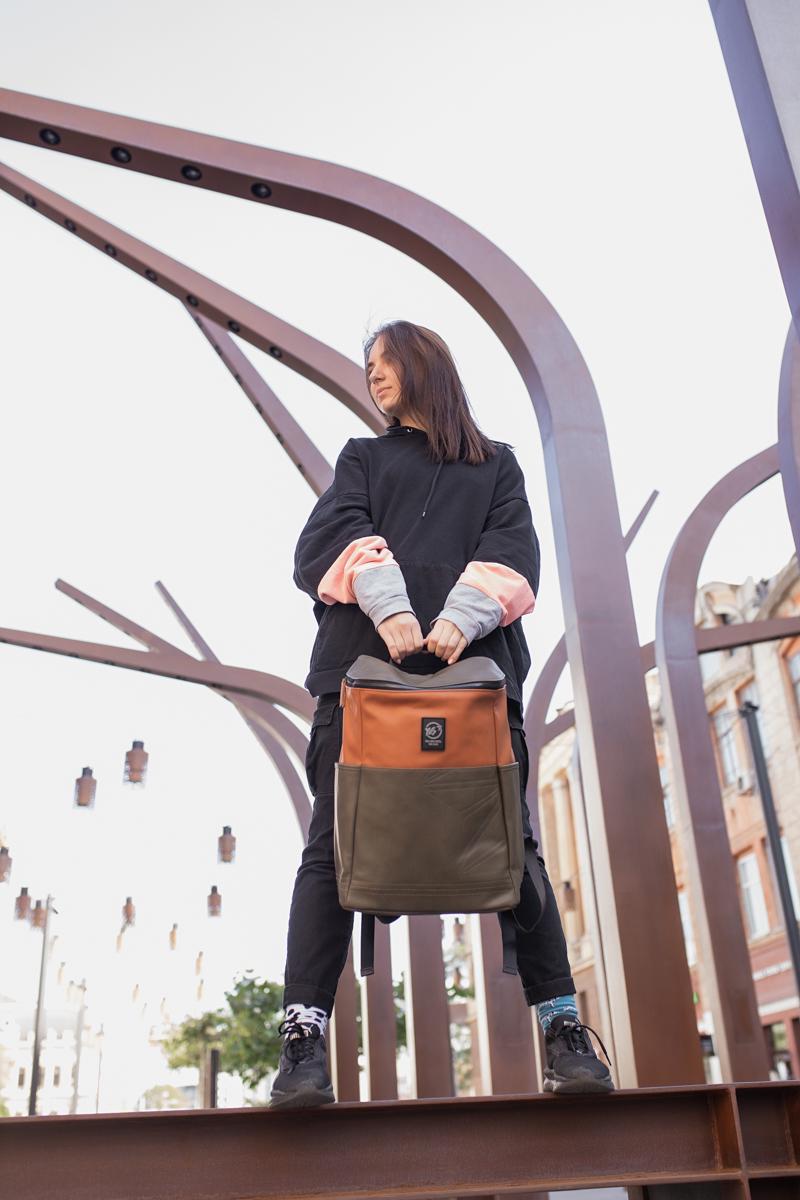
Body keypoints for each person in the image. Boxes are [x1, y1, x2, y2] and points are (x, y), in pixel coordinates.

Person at [269, 320, 613, 1108]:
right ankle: (302, 1041)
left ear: (421, 364)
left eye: (383, 361)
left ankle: (564, 1033)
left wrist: (461, 616)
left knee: (513, 843)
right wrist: (389, 607)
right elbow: (326, 540)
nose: (372, 377)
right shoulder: (362, 458)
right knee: (329, 846)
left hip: (477, 685)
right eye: (368, 367)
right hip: (358, 683)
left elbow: (514, 552)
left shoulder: (498, 467)